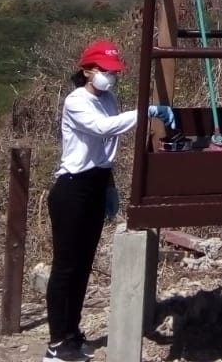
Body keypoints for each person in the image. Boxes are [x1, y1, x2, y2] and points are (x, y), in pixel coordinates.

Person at [44, 39, 175, 362]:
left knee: (83, 265)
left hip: (96, 183)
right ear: (87, 70)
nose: (110, 77)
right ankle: (57, 343)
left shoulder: (110, 99)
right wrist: (147, 111)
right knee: (66, 266)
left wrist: (110, 186)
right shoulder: (77, 101)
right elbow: (103, 130)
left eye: (113, 72)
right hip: (72, 188)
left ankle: (72, 333)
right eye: (104, 71)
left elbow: (107, 151)